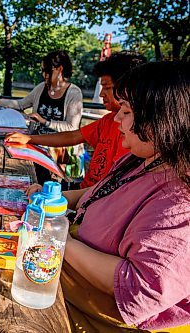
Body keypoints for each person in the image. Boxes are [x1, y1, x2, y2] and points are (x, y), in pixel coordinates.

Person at [29, 62, 190, 331]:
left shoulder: (180, 200)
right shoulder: (142, 160)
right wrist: (55, 195)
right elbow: (97, 193)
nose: (116, 119)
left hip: (93, 317)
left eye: (126, 111)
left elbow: (140, 287)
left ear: (161, 120)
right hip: (63, 282)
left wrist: (58, 239)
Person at [5, 52, 147, 188]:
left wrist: (43, 123)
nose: (101, 94)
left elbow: (110, 188)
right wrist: (29, 139)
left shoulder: (134, 136)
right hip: (83, 191)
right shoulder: (107, 120)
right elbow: (74, 136)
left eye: (107, 88)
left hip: (79, 182)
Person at [0, 50, 84, 184]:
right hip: (38, 146)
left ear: (59, 69)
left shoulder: (74, 93)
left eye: (45, 70)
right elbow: (21, 104)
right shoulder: (42, 88)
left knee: (54, 189)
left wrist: (45, 121)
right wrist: (0, 102)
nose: (43, 74)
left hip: (62, 152)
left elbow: (71, 127)